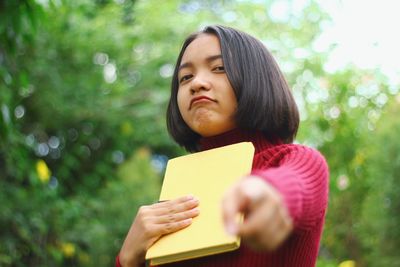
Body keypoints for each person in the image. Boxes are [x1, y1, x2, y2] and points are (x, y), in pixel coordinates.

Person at [116, 25, 329, 267]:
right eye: (186, 77)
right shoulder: (178, 186)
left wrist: (269, 195)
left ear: (257, 78)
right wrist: (127, 259)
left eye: (219, 68)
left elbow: (294, 187)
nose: (197, 83)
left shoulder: (296, 161)